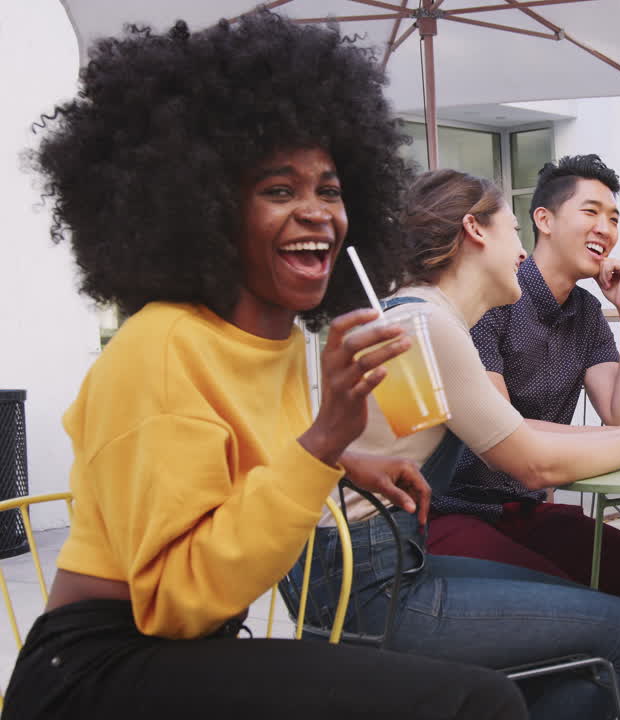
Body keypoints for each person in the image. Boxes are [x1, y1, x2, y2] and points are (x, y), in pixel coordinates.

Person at [4, 13, 526, 720]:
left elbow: (234, 456)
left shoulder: (274, 340)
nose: (315, 213)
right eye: (279, 191)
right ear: (209, 210)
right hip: (99, 670)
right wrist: (324, 441)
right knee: (475, 703)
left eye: (330, 190)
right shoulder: (160, 349)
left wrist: (344, 464)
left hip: (190, 649)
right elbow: (175, 600)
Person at [284, 169, 620, 720]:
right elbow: (529, 464)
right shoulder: (429, 325)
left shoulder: (418, 317)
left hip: (359, 569)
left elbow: (398, 437)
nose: (520, 251)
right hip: (370, 585)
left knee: (601, 610)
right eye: (513, 230)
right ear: (475, 231)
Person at [426, 155, 620, 611]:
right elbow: (505, 430)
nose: (606, 228)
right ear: (544, 220)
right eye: (591, 211)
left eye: (613, 218)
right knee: (575, 598)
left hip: (525, 508)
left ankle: (590, 675)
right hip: (455, 509)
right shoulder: (494, 294)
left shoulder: (587, 312)